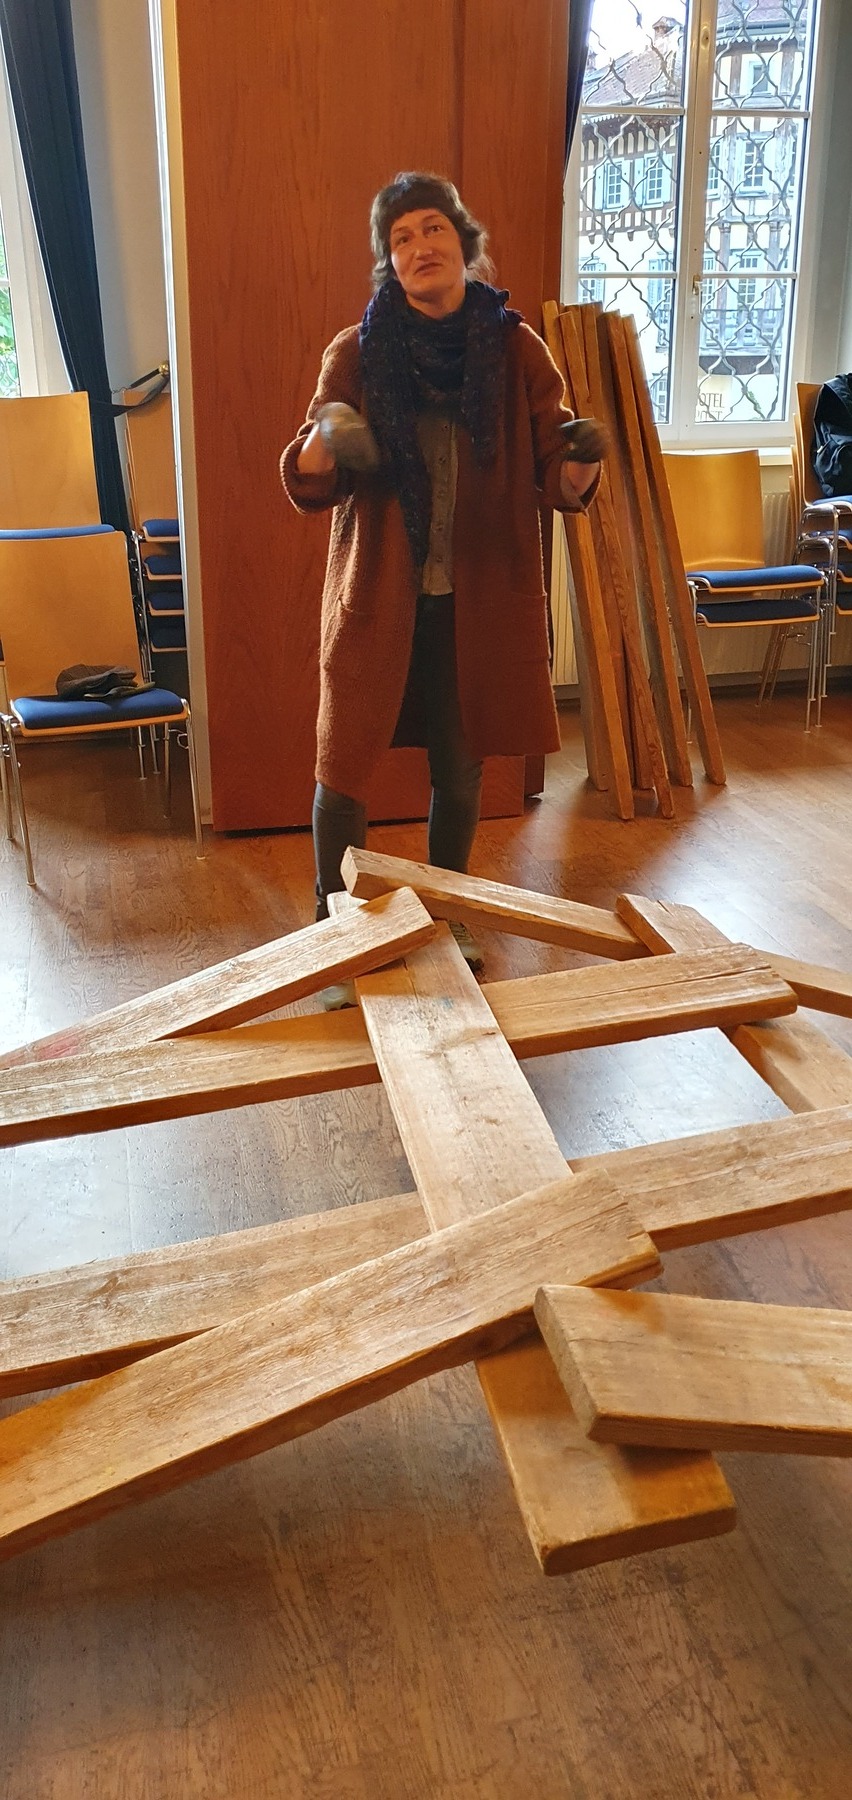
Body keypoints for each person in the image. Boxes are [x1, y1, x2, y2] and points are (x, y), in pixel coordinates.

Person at [280, 171, 606, 989]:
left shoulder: (516, 351)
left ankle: (447, 911)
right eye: (401, 238)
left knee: (459, 769)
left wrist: (580, 458)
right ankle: (332, 925)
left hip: (476, 601)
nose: (420, 247)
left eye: (432, 228)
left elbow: (556, 476)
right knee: (342, 766)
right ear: (389, 262)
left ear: (463, 241)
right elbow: (312, 477)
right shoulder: (357, 351)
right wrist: (327, 434)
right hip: (376, 596)